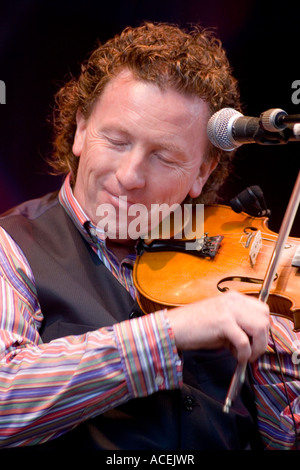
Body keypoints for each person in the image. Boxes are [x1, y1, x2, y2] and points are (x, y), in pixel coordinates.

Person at [0, 22, 298, 450]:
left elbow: (288, 432)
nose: (129, 176)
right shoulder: (12, 247)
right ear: (82, 129)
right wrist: (169, 333)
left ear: (202, 172)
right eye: (117, 140)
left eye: (163, 156)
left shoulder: (235, 256)